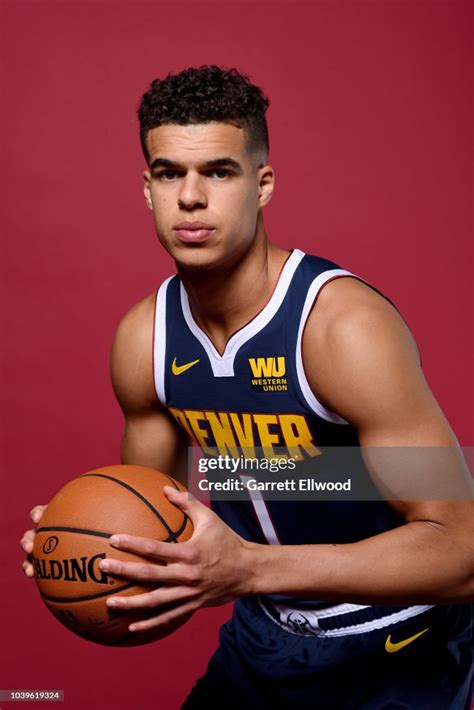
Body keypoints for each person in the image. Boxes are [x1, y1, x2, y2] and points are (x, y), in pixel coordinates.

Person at [21, 66, 473, 708]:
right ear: (147, 189)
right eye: (170, 172)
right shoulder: (144, 340)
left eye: (220, 172)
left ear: (262, 186)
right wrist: (89, 553)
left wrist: (250, 569)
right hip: (264, 641)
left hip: (396, 644)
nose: (192, 197)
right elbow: (161, 543)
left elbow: (463, 550)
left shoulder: (339, 326)